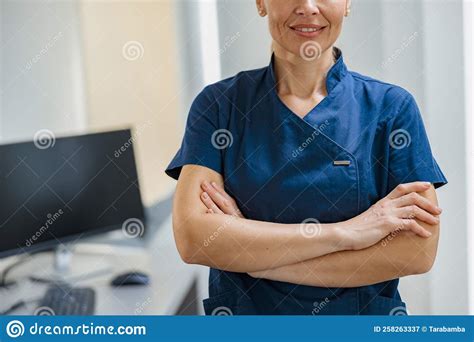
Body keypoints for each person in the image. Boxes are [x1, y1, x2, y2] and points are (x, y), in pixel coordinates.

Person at [165, 0, 447, 315]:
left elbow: (415, 251)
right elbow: (195, 239)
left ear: (347, 4)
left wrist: (258, 265)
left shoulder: (392, 108)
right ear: (261, 3)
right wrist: (348, 232)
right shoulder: (219, 106)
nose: (308, 7)